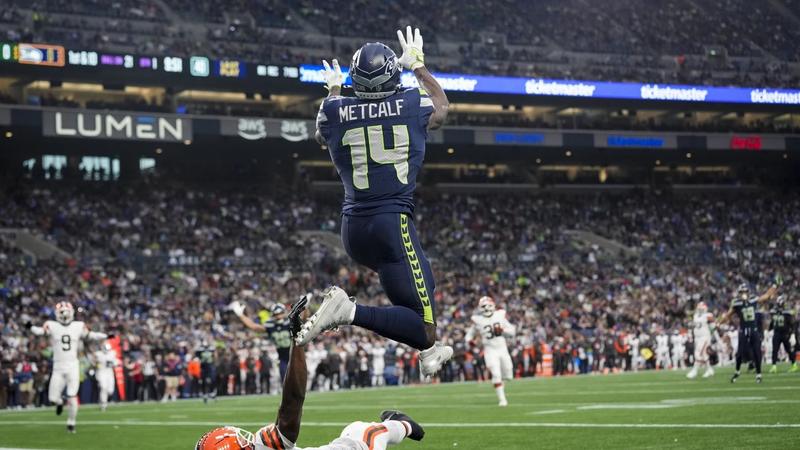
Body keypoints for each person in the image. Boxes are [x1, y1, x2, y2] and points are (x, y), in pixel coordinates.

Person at [297, 26, 452, 378]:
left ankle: (429, 353)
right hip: (391, 224)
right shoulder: (412, 103)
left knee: (425, 285)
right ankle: (350, 312)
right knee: (424, 325)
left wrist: (334, 90)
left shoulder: (333, 110)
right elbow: (442, 108)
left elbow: (322, 133)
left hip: (353, 229)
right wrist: (418, 67)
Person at [196, 296, 425, 450]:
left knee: (361, 432)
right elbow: (291, 406)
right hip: (288, 357)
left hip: (286, 359)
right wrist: (298, 341)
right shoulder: (260, 445)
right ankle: (400, 423)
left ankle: (401, 424)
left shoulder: (260, 445)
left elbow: (290, 409)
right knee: (362, 433)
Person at [26, 301, 109, 433]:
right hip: (58, 366)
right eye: (61, 312)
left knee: (72, 395)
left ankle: (71, 423)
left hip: (72, 365)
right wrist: (30, 326)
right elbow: (39, 332)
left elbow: (90, 335)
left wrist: (105, 336)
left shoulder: (78, 326)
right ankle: (59, 403)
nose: (64, 315)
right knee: (52, 398)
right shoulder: (52, 325)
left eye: (66, 312)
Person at [722, 282, 778, 383]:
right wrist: (719, 322)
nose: (743, 294)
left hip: (753, 330)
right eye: (742, 292)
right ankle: (737, 371)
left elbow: (766, 296)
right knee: (739, 353)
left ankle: (759, 374)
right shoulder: (737, 303)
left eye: (745, 292)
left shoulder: (753, 300)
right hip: (743, 330)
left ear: (748, 292)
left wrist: (774, 287)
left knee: (757, 352)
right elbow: (728, 315)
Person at [465, 297, 516, 406]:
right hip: (490, 350)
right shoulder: (478, 320)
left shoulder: (500, 315)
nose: (486, 308)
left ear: (493, 305)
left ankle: (500, 385)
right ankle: (502, 399)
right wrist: (471, 342)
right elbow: (469, 335)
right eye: (483, 306)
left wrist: (503, 331)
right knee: (496, 374)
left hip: (502, 348)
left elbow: (512, 331)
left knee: (508, 375)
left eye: (488, 305)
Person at [232, 302, 294, 381]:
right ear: (273, 315)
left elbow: (303, 319)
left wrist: (306, 308)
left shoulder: (289, 322)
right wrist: (241, 315)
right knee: (285, 379)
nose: (279, 316)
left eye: (280, 313)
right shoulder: (270, 325)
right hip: (282, 356)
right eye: (276, 314)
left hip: (295, 353)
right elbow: (254, 326)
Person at [768, 295, 797, 373]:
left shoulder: (787, 312)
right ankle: (774, 366)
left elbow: (792, 324)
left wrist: (792, 334)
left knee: (788, 350)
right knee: (775, 350)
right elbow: (772, 322)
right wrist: (769, 330)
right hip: (777, 333)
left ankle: (794, 364)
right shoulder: (774, 311)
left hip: (785, 334)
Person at [686, 302, 715, 379]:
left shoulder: (708, 315)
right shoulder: (695, 316)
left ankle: (694, 371)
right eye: (699, 309)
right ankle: (709, 370)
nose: (699, 310)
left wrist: (715, 338)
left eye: (701, 309)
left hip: (704, 337)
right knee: (704, 355)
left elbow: (713, 327)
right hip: (697, 337)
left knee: (698, 354)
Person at [93, 342, 118, 411]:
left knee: (110, 391)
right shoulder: (98, 354)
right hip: (101, 372)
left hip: (109, 373)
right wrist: (96, 364)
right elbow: (94, 362)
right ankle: (103, 404)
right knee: (103, 388)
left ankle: (104, 400)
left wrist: (114, 363)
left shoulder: (112, 353)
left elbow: (116, 362)